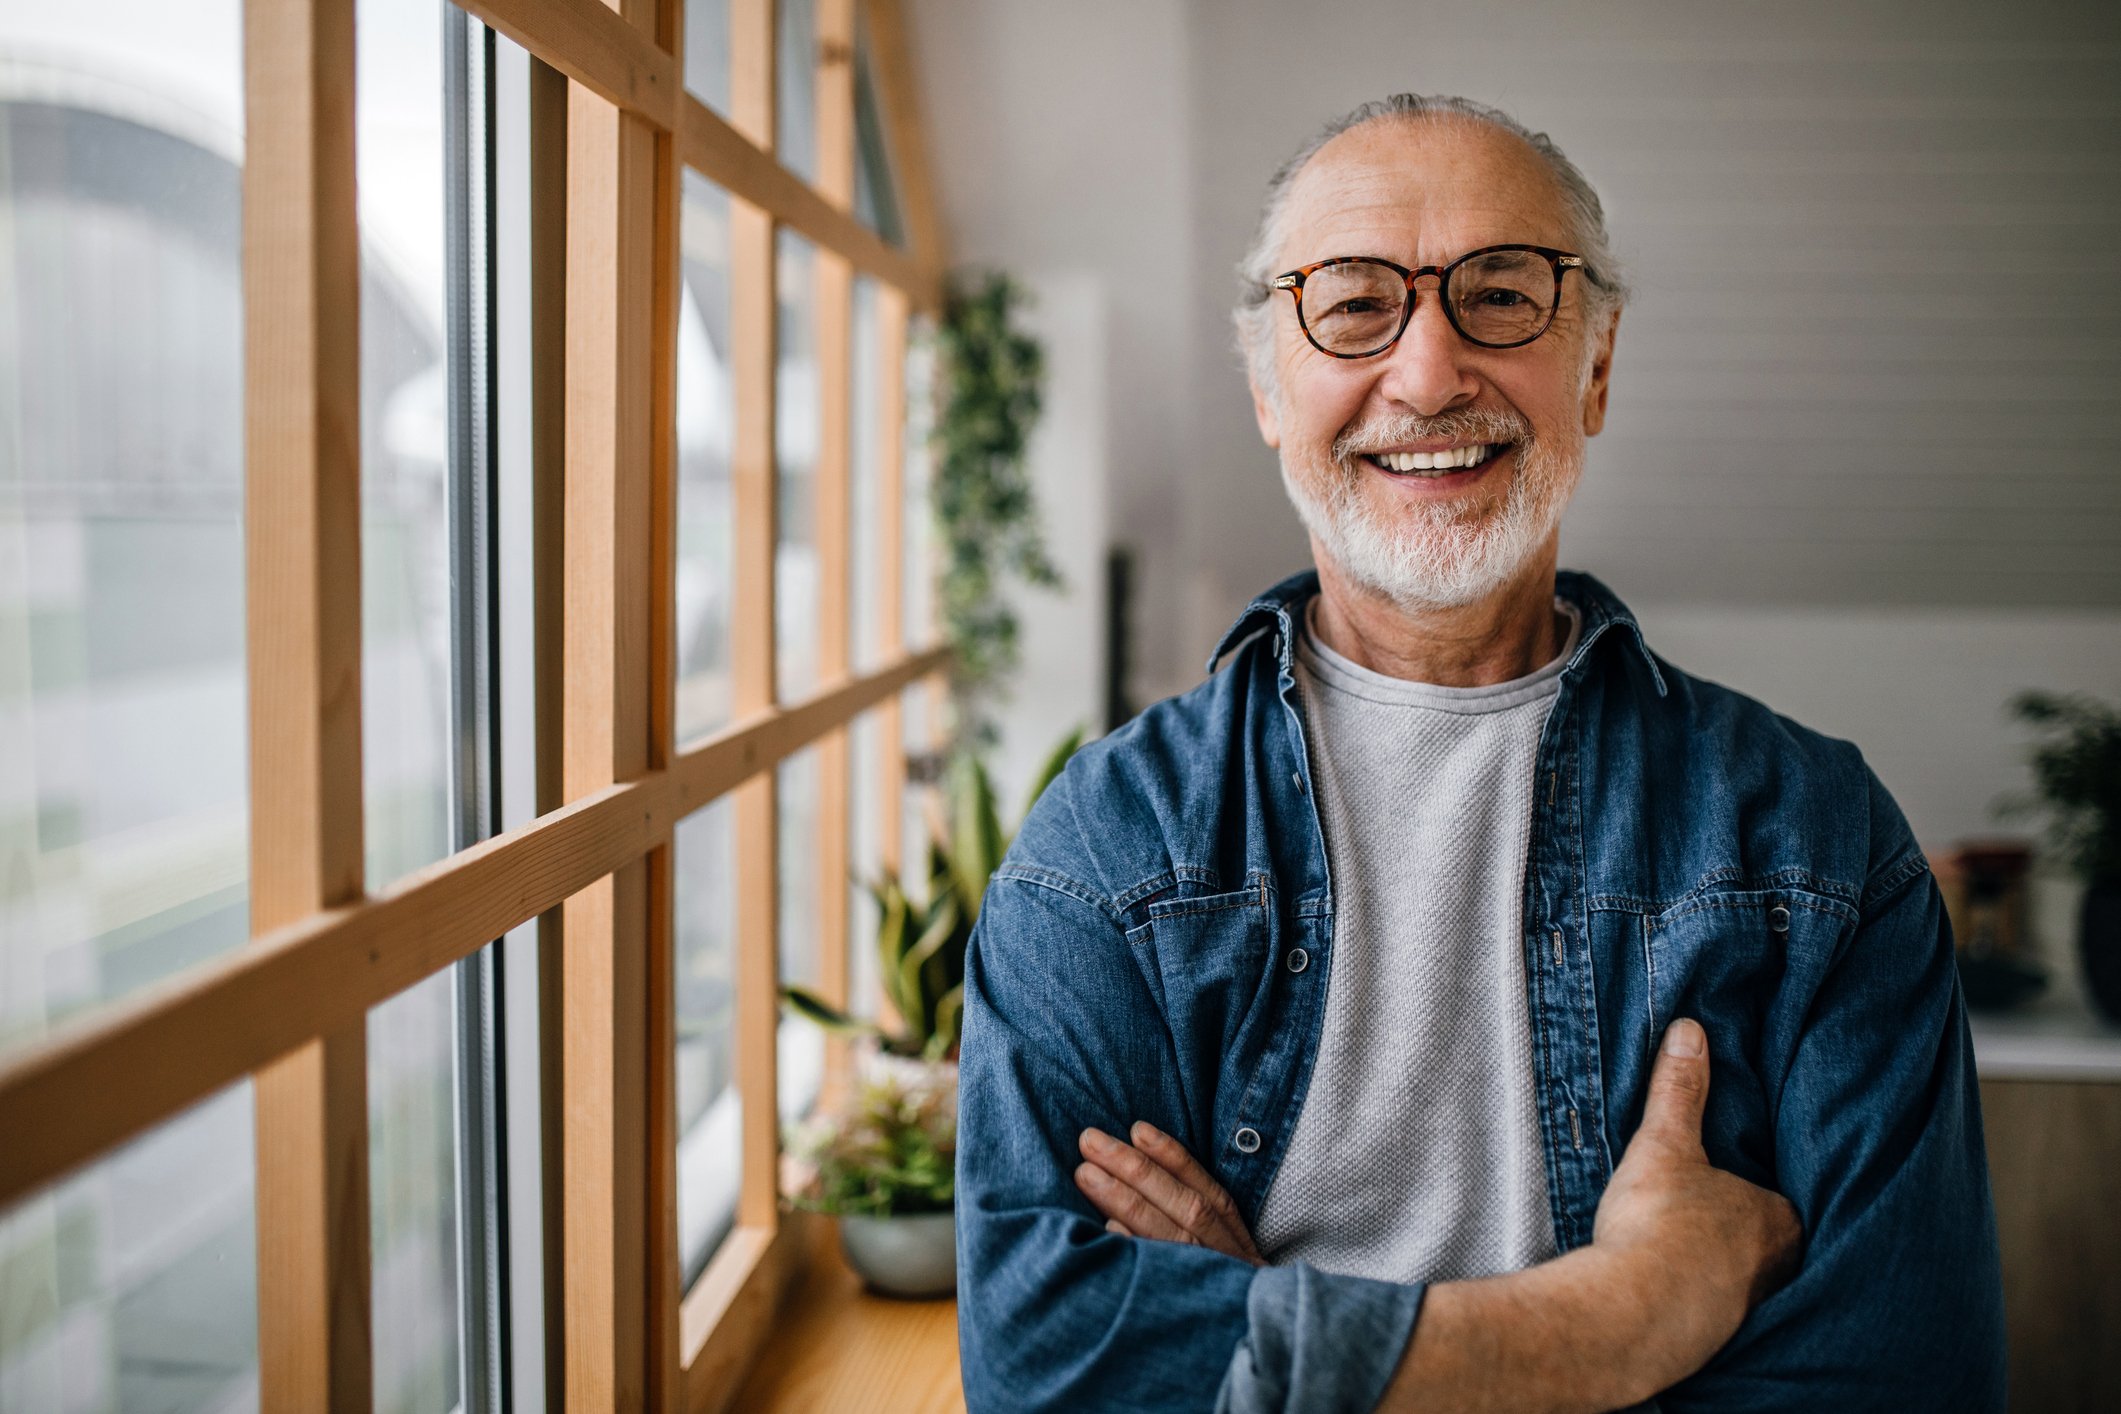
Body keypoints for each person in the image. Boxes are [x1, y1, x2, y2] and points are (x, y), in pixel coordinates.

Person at [954, 94, 2006, 1413]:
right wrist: (1615, 1319)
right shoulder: (1107, 848)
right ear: (1270, 388)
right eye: (1351, 305)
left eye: (1501, 293)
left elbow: (1903, 1383)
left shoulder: (1816, 840)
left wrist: (1282, 1350)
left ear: (1598, 364)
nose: (1430, 370)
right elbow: (1045, 1368)